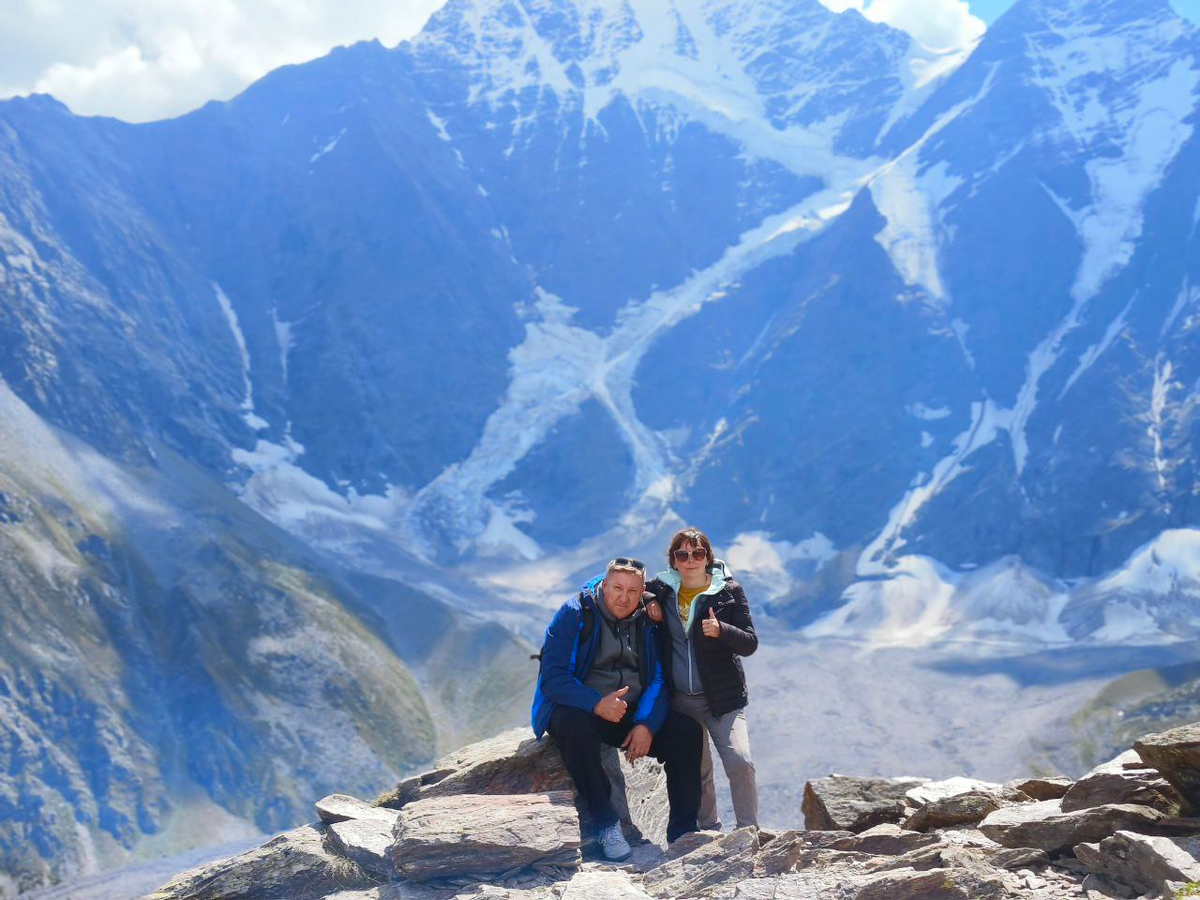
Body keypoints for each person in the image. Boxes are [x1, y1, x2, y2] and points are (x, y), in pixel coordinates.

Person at [531, 557, 702, 860]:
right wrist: (595, 703)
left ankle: (684, 835)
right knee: (573, 726)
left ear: (642, 593)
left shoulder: (648, 622)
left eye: (632, 591)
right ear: (604, 585)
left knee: (686, 732)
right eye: (617, 588)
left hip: (627, 711)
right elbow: (553, 678)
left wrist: (646, 725)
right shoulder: (574, 614)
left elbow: (659, 678)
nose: (624, 598)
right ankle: (606, 823)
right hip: (579, 707)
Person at [644, 527, 759, 831]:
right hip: (681, 701)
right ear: (674, 561)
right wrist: (647, 600)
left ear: (708, 557)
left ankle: (749, 831)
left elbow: (749, 643)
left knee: (741, 762)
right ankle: (708, 831)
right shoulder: (662, 589)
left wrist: (722, 630)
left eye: (698, 553)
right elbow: (624, 584)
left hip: (723, 698)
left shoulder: (729, 592)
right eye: (683, 554)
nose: (691, 559)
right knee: (699, 770)